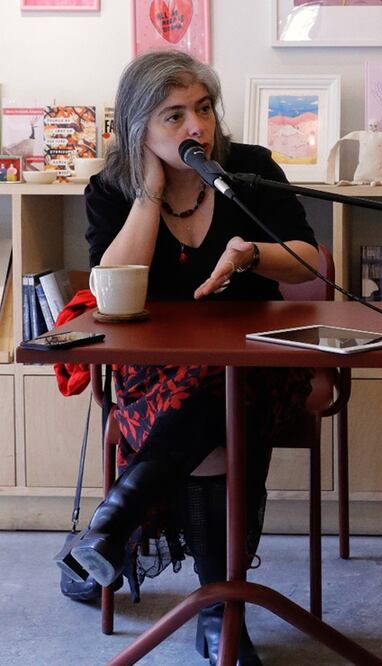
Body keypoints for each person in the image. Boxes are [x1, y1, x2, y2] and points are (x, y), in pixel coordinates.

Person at [65, 50, 321, 666]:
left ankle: (117, 519)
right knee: (210, 415)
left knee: (220, 388)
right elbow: (113, 284)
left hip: (259, 365)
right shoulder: (111, 188)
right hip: (156, 374)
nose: (196, 128)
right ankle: (218, 615)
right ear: (139, 129)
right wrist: (151, 190)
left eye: (203, 110)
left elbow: (310, 261)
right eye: (173, 116)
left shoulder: (250, 170)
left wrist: (253, 254)